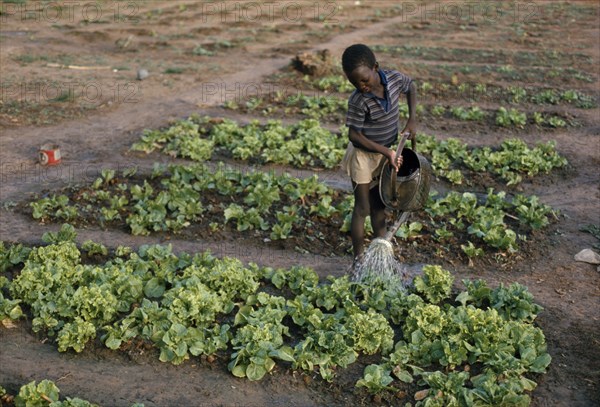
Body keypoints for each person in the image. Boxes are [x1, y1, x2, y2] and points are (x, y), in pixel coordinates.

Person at [340, 43, 417, 264]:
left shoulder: (393, 80)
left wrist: (412, 119)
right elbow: (354, 136)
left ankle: (380, 255)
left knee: (379, 207)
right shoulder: (358, 100)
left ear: (375, 67)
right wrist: (387, 152)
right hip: (364, 157)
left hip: (386, 155)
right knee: (362, 207)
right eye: (354, 82)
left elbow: (411, 86)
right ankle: (358, 259)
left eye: (364, 79)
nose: (360, 85)